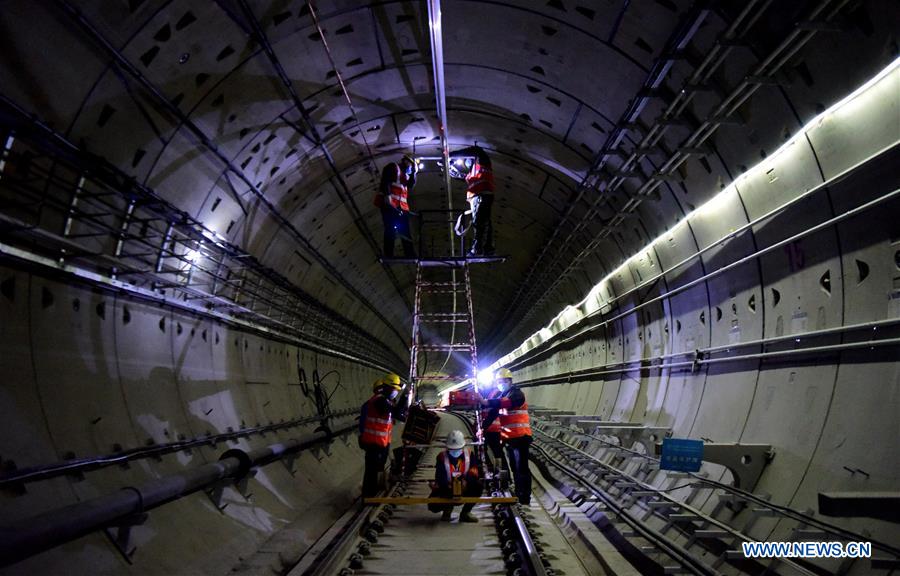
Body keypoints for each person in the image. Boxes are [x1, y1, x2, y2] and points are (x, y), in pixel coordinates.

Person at [481, 370, 532, 505]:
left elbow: (506, 403)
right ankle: (519, 493)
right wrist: (482, 428)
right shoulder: (504, 395)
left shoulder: (517, 394)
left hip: (521, 437)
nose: (500, 384)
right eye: (498, 382)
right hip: (510, 438)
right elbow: (493, 414)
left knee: (522, 468)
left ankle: (525, 497)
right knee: (515, 467)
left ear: (510, 381)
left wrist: (487, 402)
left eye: (502, 381)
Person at [359, 373, 407, 498]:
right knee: (371, 472)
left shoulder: (385, 401)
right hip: (373, 443)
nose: (395, 392)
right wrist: (405, 396)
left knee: (376, 470)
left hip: (380, 443)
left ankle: (372, 494)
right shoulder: (379, 401)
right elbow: (395, 412)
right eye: (394, 390)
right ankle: (368, 498)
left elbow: (397, 414)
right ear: (387, 387)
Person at [428, 429, 483, 522]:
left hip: (465, 487)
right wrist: (448, 486)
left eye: (457, 449)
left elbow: (474, 472)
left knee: (478, 486)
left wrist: (466, 482)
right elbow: (440, 476)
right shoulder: (442, 457)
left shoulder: (469, 455)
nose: (455, 451)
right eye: (452, 449)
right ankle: (447, 509)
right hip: (448, 490)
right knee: (433, 506)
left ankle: (465, 513)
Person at [449, 145, 494, 256]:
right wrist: (448, 167)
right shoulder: (470, 174)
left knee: (479, 223)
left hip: (482, 196)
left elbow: (477, 149)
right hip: (477, 198)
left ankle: (477, 248)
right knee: (484, 222)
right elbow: (458, 175)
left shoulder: (483, 163)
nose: (467, 162)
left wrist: (452, 155)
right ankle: (487, 248)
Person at [374, 153, 418, 258]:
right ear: (406, 161)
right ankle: (388, 254)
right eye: (411, 165)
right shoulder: (393, 167)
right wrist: (388, 197)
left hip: (401, 207)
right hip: (389, 206)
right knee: (390, 229)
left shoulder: (405, 176)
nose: (410, 168)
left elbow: (411, 185)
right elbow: (385, 182)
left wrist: (414, 173)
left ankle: (410, 254)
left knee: (405, 231)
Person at [480, 369, 508, 470]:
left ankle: (504, 478)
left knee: (498, 452)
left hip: (495, 428)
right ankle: (492, 471)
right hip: (487, 427)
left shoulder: (497, 393)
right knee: (484, 450)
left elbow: (492, 407)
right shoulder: (483, 393)